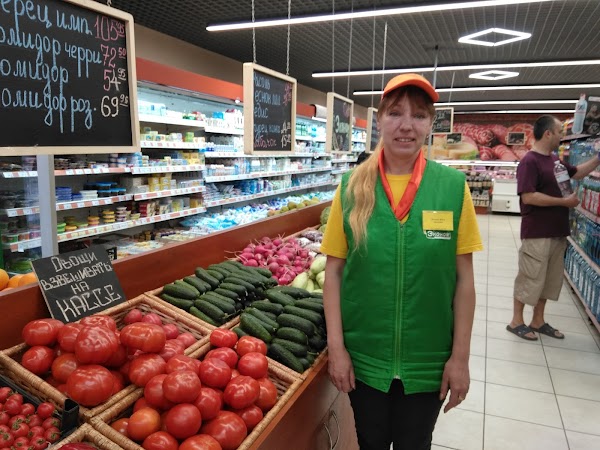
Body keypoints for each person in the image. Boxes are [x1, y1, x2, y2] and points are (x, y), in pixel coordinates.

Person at [320, 73, 483, 450]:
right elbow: (334, 274)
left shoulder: (452, 188)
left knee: (416, 443)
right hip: (365, 360)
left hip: (428, 361)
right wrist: (337, 349)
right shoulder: (350, 187)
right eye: (395, 113)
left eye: (419, 115)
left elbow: (464, 282)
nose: (406, 125)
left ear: (430, 124)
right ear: (379, 119)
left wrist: (460, 359)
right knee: (370, 442)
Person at [507, 115, 600, 341]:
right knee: (530, 277)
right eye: (560, 132)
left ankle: (538, 320)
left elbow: (577, 172)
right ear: (548, 133)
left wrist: (598, 158)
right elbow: (529, 197)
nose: (562, 136)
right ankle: (516, 321)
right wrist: (563, 202)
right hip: (537, 232)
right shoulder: (530, 162)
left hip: (558, 230)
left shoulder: (555, 160)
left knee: (549, 280)